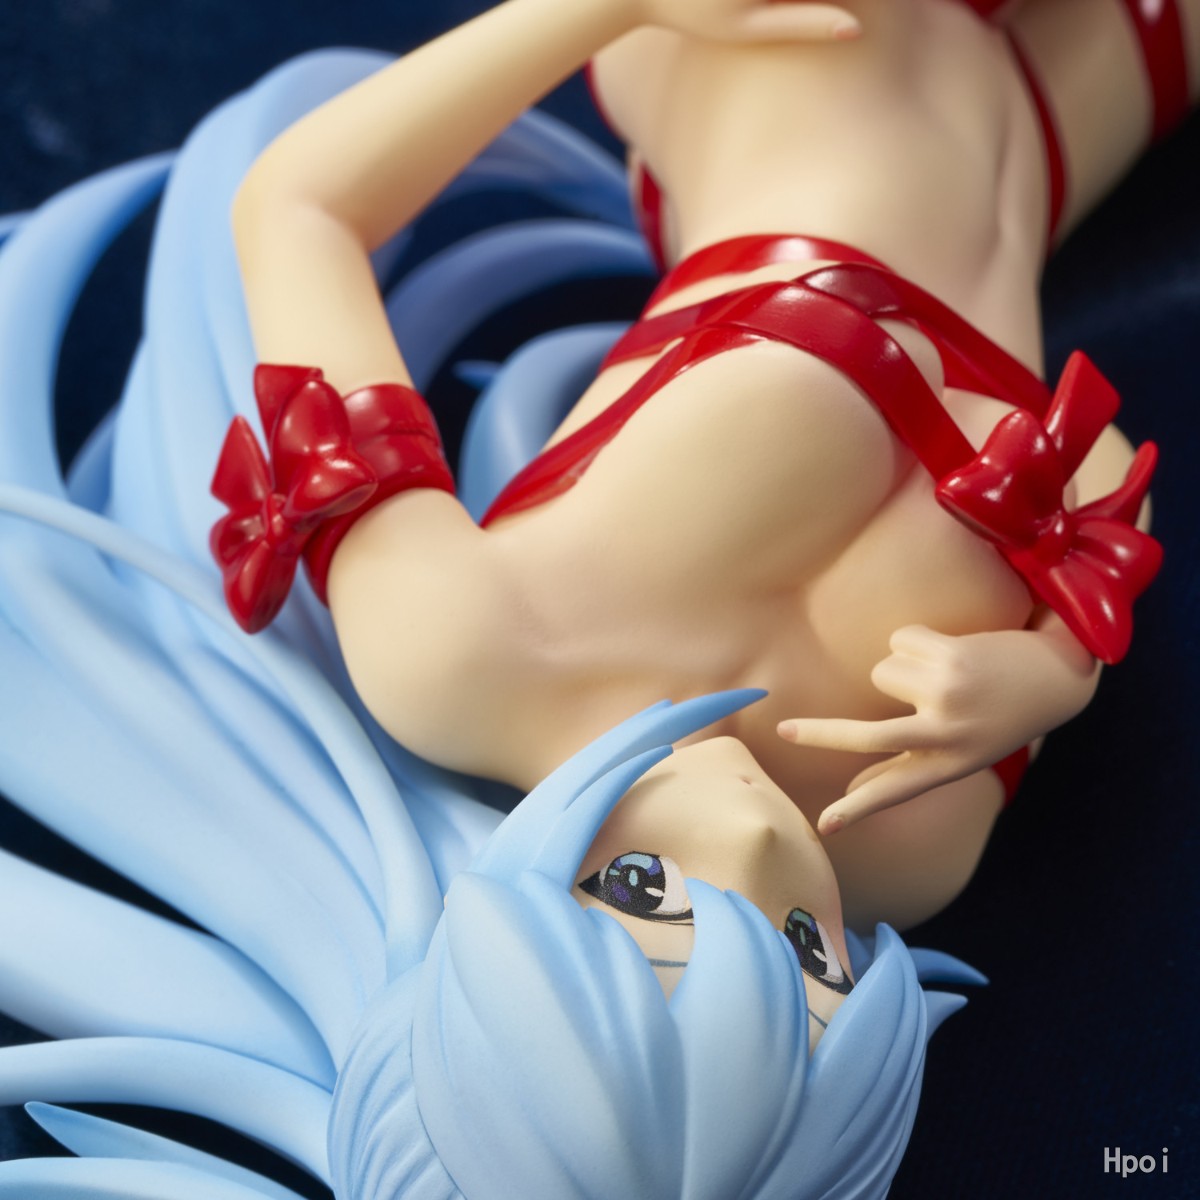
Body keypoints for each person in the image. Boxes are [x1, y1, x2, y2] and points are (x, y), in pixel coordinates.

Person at [213, 0, 1189, 931]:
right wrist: (1056, 673)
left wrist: (601, 10)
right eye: (807, 958)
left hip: (768, 54)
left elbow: (297, 208)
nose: (755, 870)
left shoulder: (462, 653)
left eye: (653, 908)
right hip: (1038, 125)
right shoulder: (904, 860)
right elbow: (1096, 507)